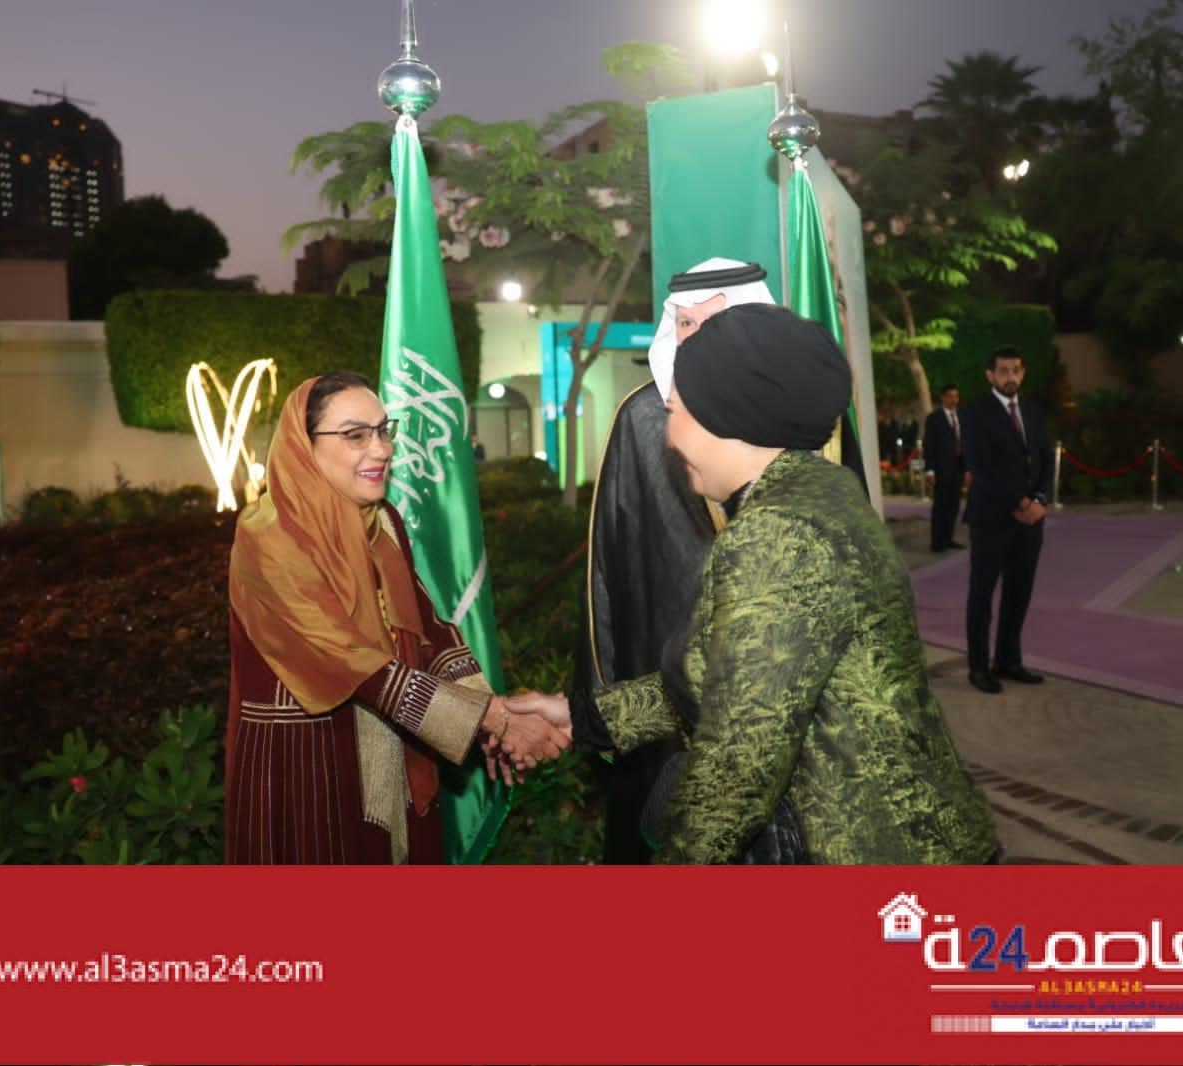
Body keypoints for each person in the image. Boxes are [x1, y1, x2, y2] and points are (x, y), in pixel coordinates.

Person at [515, 306, 998, 864]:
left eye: (674, 412)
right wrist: (582, 718)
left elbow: (739, 764)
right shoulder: (821, 492)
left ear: (726, 413)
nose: (668, 437)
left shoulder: (778, 533)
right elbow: (728, 677)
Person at [225, 370, 566, 864]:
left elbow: (429, 630)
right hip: (307, 765)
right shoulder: (270, 539)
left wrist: (487, 714)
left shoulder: (382, 523)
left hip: (398, 745)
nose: (382, 449)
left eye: (384, 431)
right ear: (305, 446)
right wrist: (491, 720)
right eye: (356, 436)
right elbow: (352, 662)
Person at [580, 257, 776, 863]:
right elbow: (606, 573)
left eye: (711, 323)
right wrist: (596, 703)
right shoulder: (643, 418)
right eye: (684, 324)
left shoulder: (805, 415)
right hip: (665, 696)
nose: (693, 339)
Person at [960, 346, 1053, 694]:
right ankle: (978, 667)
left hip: (1030, 522)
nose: (1010, 377)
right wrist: (1020, 501)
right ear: (990, 375)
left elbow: (1045, 458)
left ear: (1023, 373)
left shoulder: (1031, 410)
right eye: (1003, 371)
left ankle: (1008, 661)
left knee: (1019, 592)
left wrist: (1041, 500)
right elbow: (980, 467)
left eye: (1016, 370)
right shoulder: (974, 413)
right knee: (982, 594)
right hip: (991, 518)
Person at [923, 383, 967, 552]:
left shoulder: (961, 417)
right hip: (941, 469)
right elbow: (929, 446)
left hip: (958, 469)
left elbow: (965, 443)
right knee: (941, 506)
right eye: (950, 396)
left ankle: (948, 538)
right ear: (942, 398)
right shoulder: (934, 419)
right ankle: (937, 542)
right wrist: (930, 470)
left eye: (956, 396)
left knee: (953, 506)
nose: (954, 400)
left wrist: (968, 469)